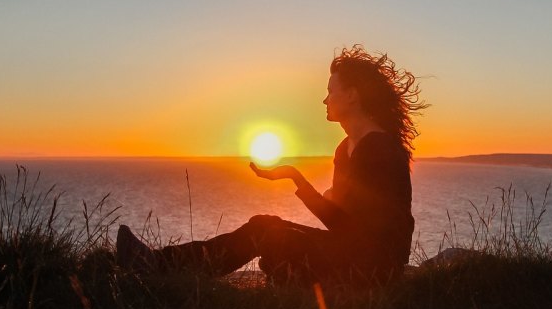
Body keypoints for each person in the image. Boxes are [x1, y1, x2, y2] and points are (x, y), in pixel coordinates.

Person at [116, 45, 427, 285]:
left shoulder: (379, 149)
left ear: (352, 96)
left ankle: (161, 267)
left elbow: (363, 234)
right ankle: (160, 264)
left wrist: (304, 192)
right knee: (263, 225)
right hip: (349, 252)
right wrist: (298, 182)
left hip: (373, 269)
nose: (325, 100)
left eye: (331, 91)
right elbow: (342, 225)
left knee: (271, 236)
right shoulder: (345, 149)